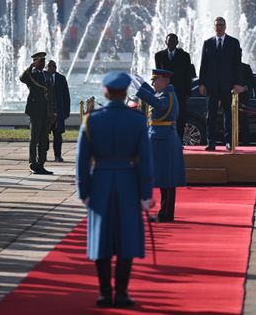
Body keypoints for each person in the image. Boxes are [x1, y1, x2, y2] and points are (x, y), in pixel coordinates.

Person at [76, 71, 153, 308]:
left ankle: (104, 293)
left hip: (100, 182)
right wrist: (146, 194)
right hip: (128, 182)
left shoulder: (91, 120)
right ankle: (121, 292)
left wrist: (84, 192)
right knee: (127, 237)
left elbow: (81, 161)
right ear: (125, 93)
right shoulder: (138, 120)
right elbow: (145, 162)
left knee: (101, 238)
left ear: (106, 92)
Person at [135, 69, 186, 222]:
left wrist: (140, 91)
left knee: (168, 179)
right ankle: (164, 212)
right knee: (164, 179)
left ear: (163, 81)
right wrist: (141, 85)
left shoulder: (168, 95)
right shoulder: (164, 93)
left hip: (165, 140)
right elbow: (154, 95)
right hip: (161, 140)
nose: (153, 83)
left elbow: (158, 103)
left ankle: (167, 214)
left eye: (154, 81)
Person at [198, 17, 245, 151]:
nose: (219, 27)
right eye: (217, 25)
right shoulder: (208, 43)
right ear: (214, 27)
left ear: (225, 26)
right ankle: (210, 142)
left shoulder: (233, 42)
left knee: (228, 115)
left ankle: (229, 142)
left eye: (221, 25)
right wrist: (202, 83)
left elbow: (237, 65)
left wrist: (237, 83)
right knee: (210, 116)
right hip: (212, 86)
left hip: (227, 86)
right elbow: (203, 65)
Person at [19, 52, 55, 175]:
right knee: (34, 138)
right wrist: (31, 66)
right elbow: (22, 78)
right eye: (40, 61)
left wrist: (53, 111)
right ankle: (33, 163)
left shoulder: (46, 75)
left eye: (44, 61)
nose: (43, 63)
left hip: (46, 111)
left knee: (43, 139)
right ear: (35, 62)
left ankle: (41, 164)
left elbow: (50, 94)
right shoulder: (31, 74)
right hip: (35, 110)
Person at [155, 33, 193, 140]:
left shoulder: (184, 56)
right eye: (169, 40)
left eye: (173, 41)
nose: (171, 43)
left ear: (177, 43)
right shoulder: (159, 55)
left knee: (180, 117)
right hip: (165, 92)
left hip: (180, 91)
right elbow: (158, 74)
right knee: (165, 116)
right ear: (165, 42)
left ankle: (179, 140)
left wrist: (188, 93)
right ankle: (166, 139)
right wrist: (158, 91)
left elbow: (187, 76)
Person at [45, 60, 70, 162]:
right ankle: (43, 155)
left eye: (53, 66)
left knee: (58, 135)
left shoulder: (61, 78)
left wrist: (66, 112)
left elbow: (66, 96)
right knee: (44, 136)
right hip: (46, 113)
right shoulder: (42, 77)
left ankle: (57, 156)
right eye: (49, 66)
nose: (51, 68)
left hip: (58, 113)